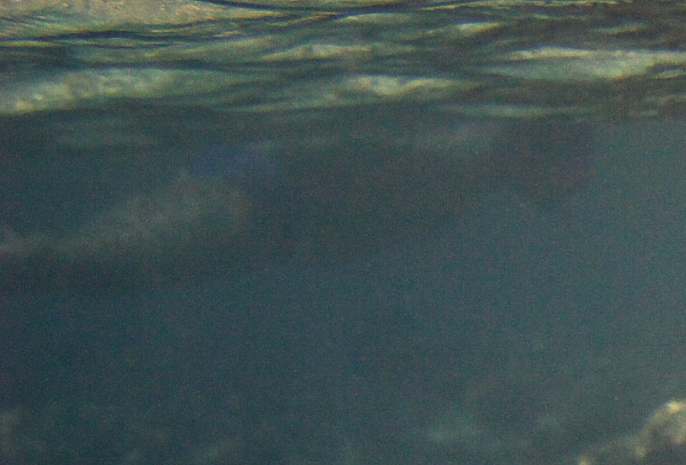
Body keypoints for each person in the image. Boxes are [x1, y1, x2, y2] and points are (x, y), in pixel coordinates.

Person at [0, 119, 591, 294]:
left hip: (260, 228)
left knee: (80, 272)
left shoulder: (465, 177)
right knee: (72, 265)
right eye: (566, 170)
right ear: (531, 145)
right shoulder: (456, 158)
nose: (567, 189)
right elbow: (341, 162)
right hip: (244, 201)